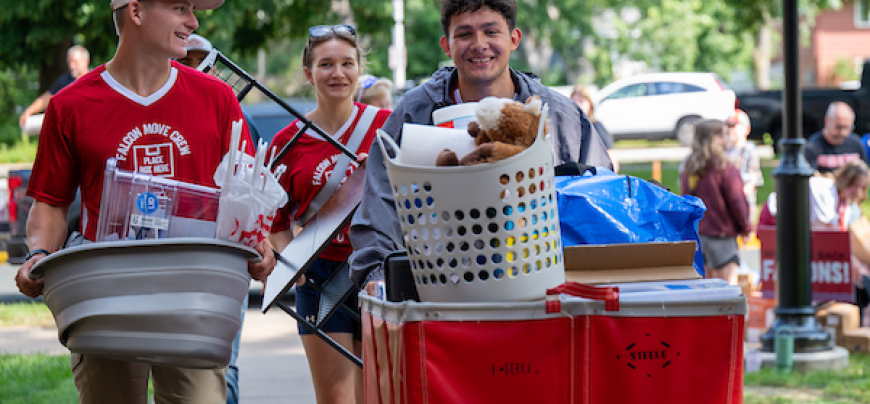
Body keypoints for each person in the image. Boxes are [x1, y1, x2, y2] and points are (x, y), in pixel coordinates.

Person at [14, 1, 276, 403]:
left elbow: (244, 197)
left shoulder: (219, 100)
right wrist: (40, 253)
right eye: (180, 8)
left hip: (195, 301)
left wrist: (260, 245)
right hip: (104, 299)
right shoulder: (71, 105)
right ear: (135, 11)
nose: (194, 21)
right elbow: (50, 203)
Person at [348, 0, 612, 290]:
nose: (479, 44)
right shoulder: (413, 114)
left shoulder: (560, 115)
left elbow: (600, 197)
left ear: (513, 39)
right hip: (440, 290)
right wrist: (377, 275)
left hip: (545, 286)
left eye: (491, 31)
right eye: (464, 34)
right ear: (446, 46)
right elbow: (380, 202)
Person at [268, 24, 391, 404]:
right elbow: (274, 218)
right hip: (320, 278)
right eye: (326, 64)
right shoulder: (288, 140)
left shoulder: (387, 125)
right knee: (335, 398)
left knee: (379, 395)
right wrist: (294, 267)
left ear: (358, 69)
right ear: (309, 73)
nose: (337, 73)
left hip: (379, 270)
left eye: (347, 63)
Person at [174, 32, 256, 404]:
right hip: (169, 257)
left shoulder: (232, 113)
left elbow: (252, 184)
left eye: (200, 60)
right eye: (185, 59)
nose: (193, 68)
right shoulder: (158, 111)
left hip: (220, 256)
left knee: (222, 365)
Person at [680, 119, 751, 285]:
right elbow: (736, 202)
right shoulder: (724, 168)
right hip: (722, 235)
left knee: (706, 293)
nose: (728, 138)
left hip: (699, 235)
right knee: (726, 291)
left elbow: (686, 201)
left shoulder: (690, 168)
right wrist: (745, 227)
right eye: (725, 134)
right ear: (717, 138)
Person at [18, 45, 91, 129]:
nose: (71, 66)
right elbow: (46, 98)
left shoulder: (96, 81)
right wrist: (28, 112)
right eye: (69, 62)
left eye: (75, 62)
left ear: (86, 61)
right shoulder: (64, 81)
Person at [804, 101, 870, 174]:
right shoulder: (813, 146)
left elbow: (865, 173)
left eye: (846, 127)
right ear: (827, 121)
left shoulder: (856, 143)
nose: (842, 132)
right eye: (838, 127)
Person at [725, 109, 763, 224]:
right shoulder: (723, 150)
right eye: (728, 126)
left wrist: (737, 195)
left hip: (743, 200)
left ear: (746, 129)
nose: (730, 130)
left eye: (734, 126)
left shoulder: (749, 149)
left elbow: (753, 178)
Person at [571, 83, 618, 172]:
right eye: (574, 101)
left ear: (590, 104)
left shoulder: (597, 127)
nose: (577, 105)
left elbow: (611, 157)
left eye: (581, 101)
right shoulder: (567, 128)